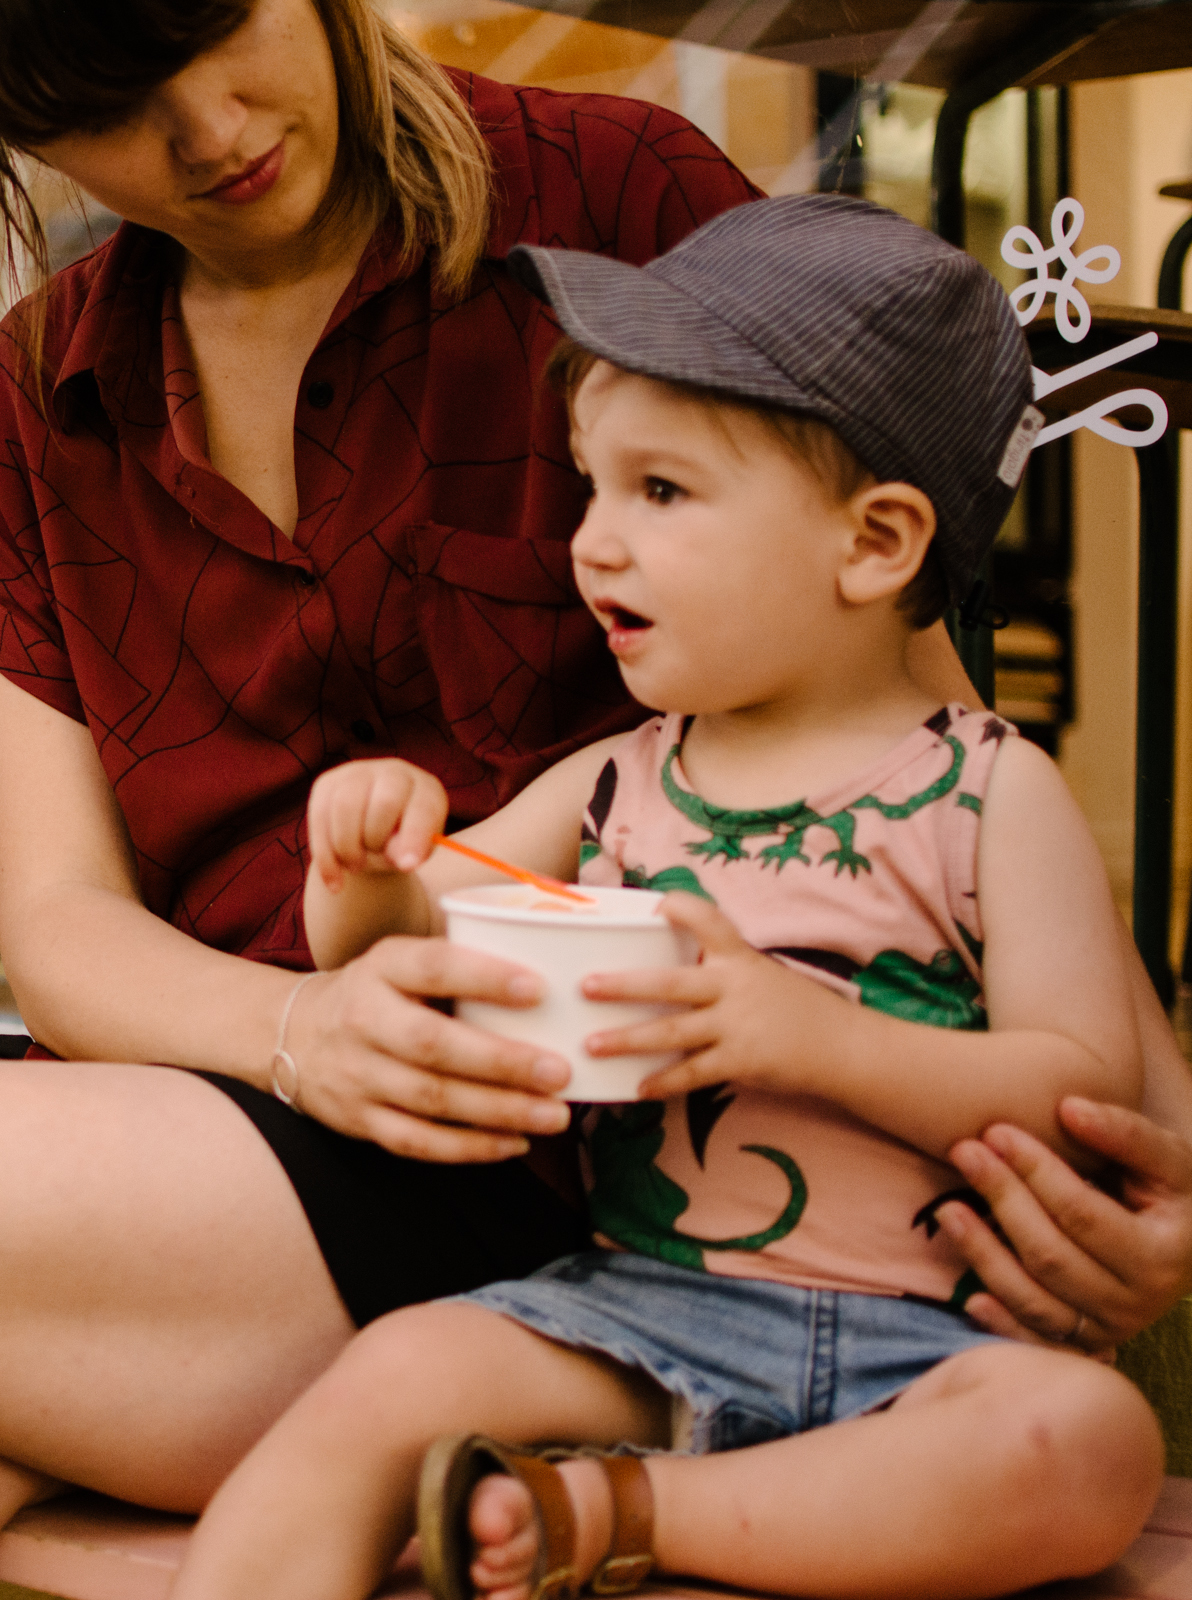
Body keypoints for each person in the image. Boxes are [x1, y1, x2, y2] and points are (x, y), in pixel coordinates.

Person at [0, 4, 1192, 1597]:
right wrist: (302, 1022)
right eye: (101, 100)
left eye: (213, 21)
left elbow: (916, 733)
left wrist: (1155, 1166)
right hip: (211, 1143)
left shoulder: (615, 208)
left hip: (566, 1191)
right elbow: (62, 934)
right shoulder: (36, 390)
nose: (203, 128)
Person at [170, 194, 1162, 1600]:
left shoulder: (989, 792)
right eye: (591, 487)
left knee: (1086, 1448)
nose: (591, 542)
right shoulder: (615, 784)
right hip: (643, 1316)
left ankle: (620, 1516)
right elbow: (409, 940)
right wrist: (369, 867)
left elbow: (1082, 1089)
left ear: (874, 545)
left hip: (937, 1353)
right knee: (396, 1371)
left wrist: (802, 1037)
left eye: (661, 493)